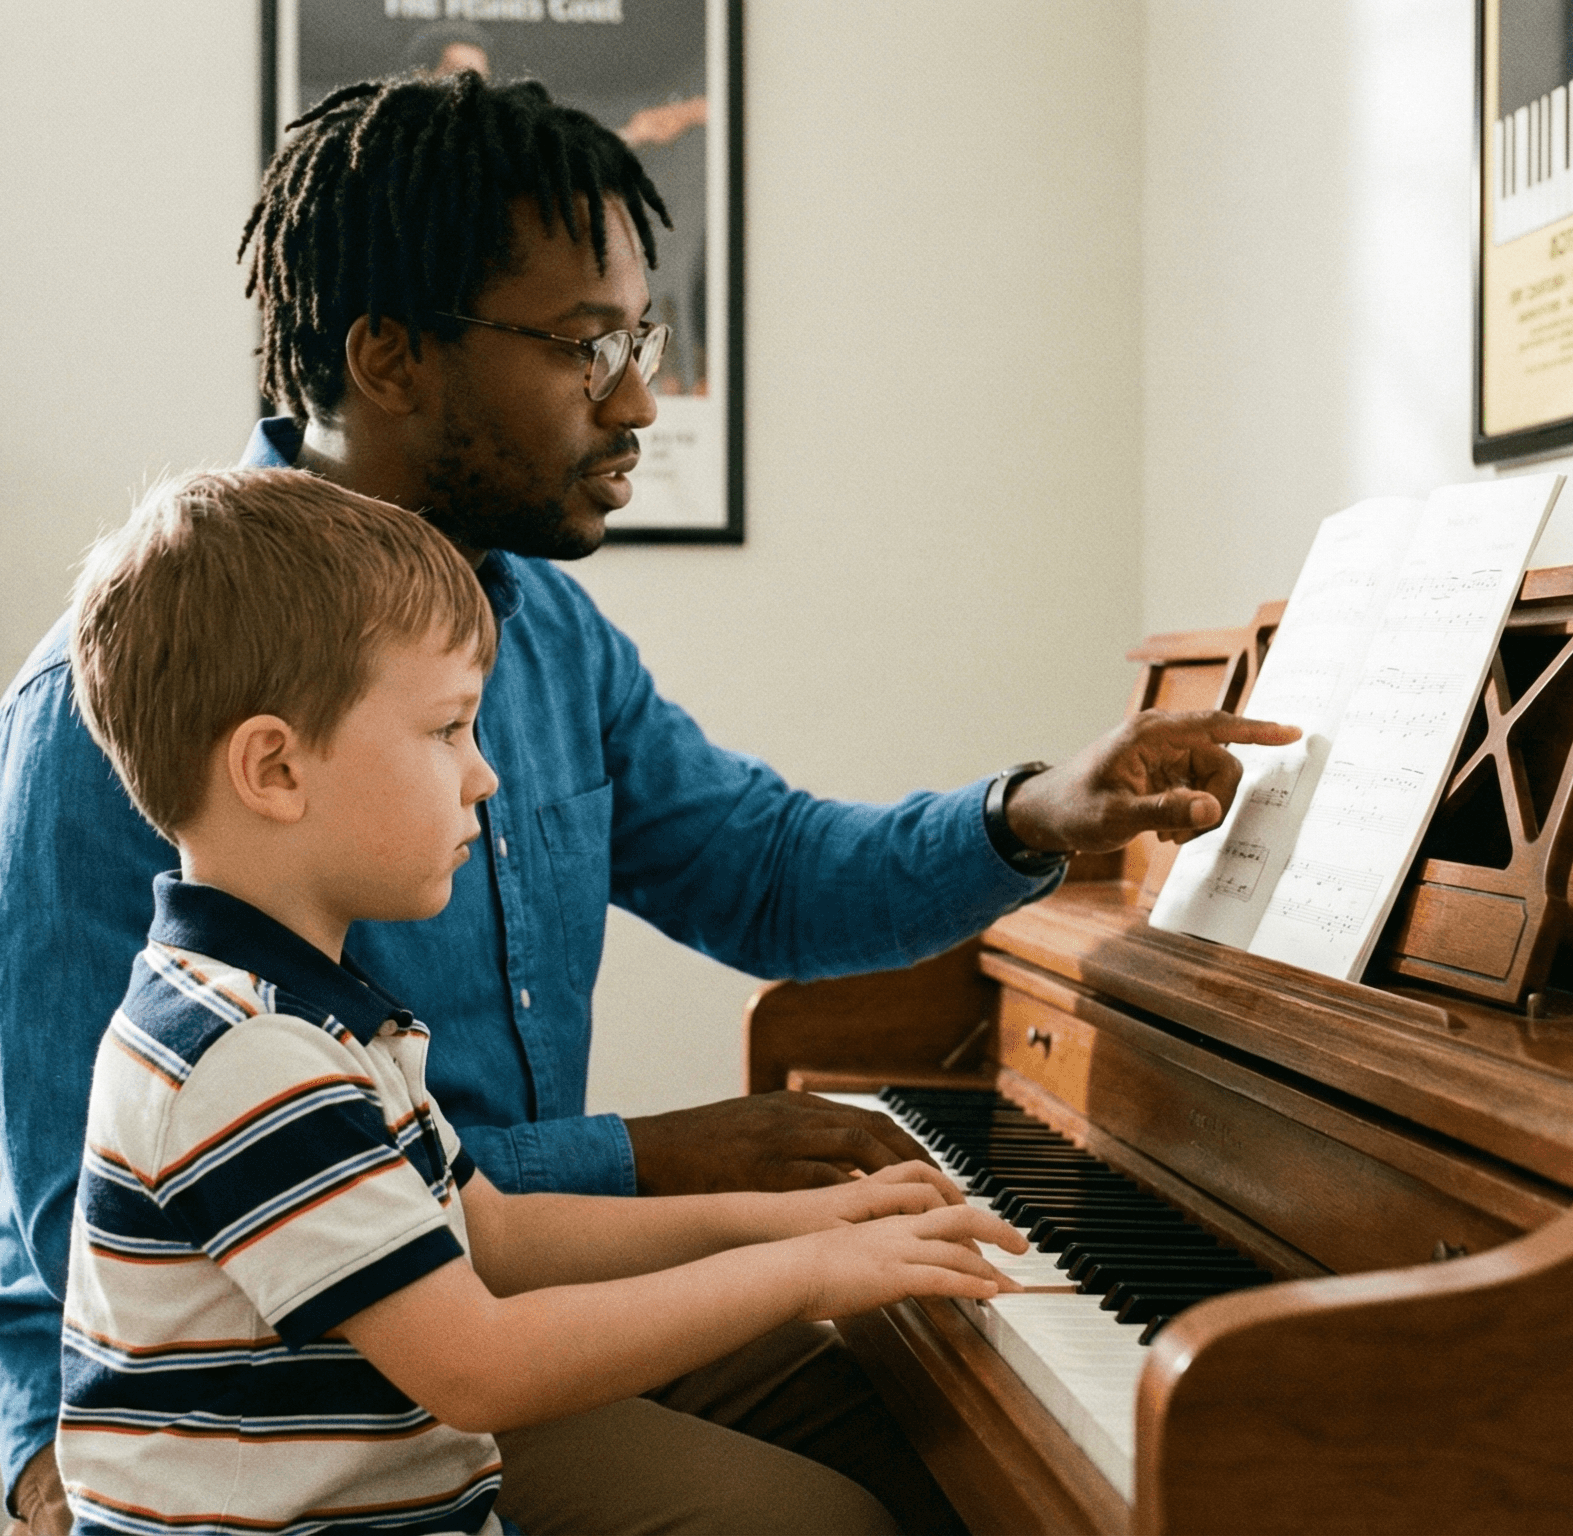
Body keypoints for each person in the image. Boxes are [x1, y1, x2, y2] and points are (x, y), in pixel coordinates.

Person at [0, 72, 1296, 1534]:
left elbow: (769, 874)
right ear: (391, 357)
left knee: (945, 1409)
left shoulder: (541, 629)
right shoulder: (112, 721)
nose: (640, 399)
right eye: (586, 344)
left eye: (640, 339)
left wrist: (1034, 813)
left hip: (483, 1287)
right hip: (286, 1401)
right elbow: (80, 1204)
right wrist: (657, 1160)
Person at [54, 467, 1026, 1535]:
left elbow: (498, 1235)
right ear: (275, 769)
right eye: (448, 730)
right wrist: (803, 1272)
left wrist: (793, 1221)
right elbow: (483, 1368)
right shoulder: (242, 1056)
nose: (486, 776)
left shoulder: (312, 1014)